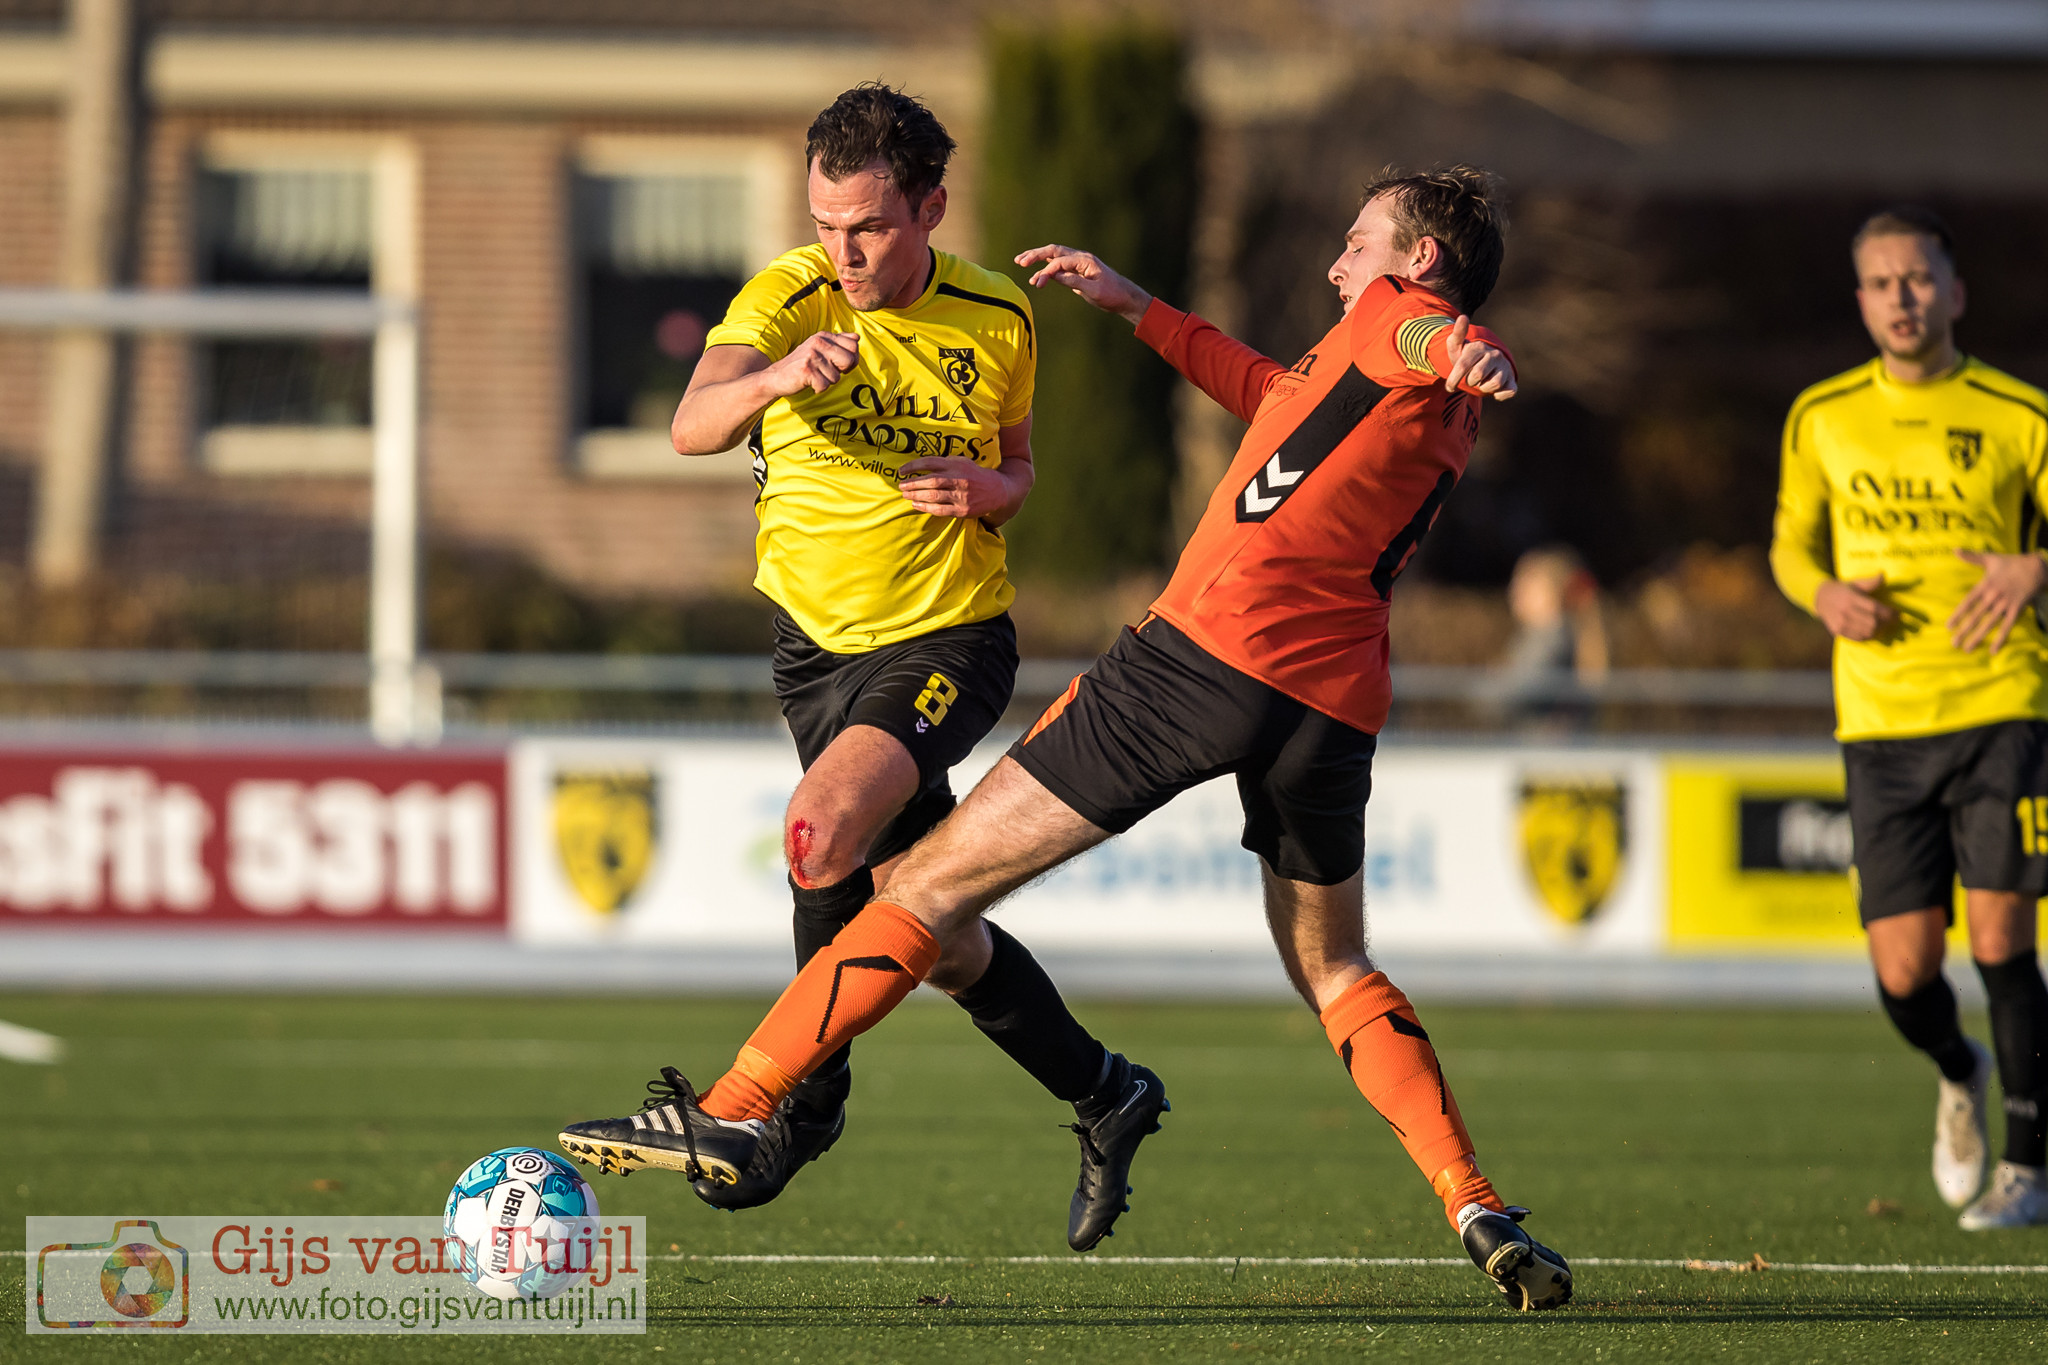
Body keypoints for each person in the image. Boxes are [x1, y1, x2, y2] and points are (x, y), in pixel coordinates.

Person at [563, 165, 1574, 1310]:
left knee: (917, 889)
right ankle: (1472, 1200)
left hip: (1202, 661)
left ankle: (740, 1108)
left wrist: (1462, 346)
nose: (1339, 264)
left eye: (1358, 241)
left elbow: (1423, 336)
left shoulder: (1403, 320)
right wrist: (1137, 307)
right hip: (1334, 700)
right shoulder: (1389, 392)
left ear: (1418, 259)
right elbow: (1266, 389)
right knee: (1334, 966)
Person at [557, 84, 1168, 1252]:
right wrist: (775, 378)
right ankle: (1104, 1090)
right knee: (929, 925)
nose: (842, 252)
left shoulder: (995, 315)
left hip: (947, 641)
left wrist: (991, 489)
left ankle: (797, 1103)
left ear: (930, 209)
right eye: (825, 224)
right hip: (812, 657)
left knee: (817, 831)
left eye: (869, 227)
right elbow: (691, 426)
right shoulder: (788, 296)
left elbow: (1019, 471)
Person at [1770, 205, 2048, 1230]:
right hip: (1879, 720)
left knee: (2001, 938)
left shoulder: (2019, 413)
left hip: (2000, 700)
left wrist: (2034, 567)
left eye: (1919, 278)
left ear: (1953, 292)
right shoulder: (1821, 415)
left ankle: (2027, 1169)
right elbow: (1789, 547)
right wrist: (1821, 596)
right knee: (1902, 971)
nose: (1902, 296)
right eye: (1882, 282)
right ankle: (1958, 1065)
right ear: (1860, 301)